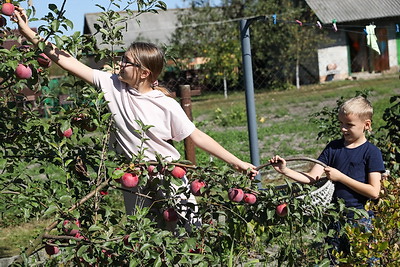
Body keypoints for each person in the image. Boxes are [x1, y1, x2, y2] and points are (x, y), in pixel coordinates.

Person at [12, 7, 258, 228]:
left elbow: (197, 136)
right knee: (144, 237)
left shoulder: (166, 105)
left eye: (126, 61)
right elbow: (67, 61)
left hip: (169, 175)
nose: (119, 64)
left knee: (189, 230)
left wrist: (237, 163)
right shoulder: (112, 85)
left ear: (143, 73)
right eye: (122, 59)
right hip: (135, 179)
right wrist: (28, 32)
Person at [269, 96, 385, 263]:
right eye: (341, 124)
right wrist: (285, 170)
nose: (343, 129)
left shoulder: (371, 152)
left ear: (366, 125)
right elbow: (312, 178)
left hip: (360, 219)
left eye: (349, 125)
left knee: (364, 261)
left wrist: (341, 177)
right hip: (334, 218)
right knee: (335, 261)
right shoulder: (333, 148)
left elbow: (374, 191)